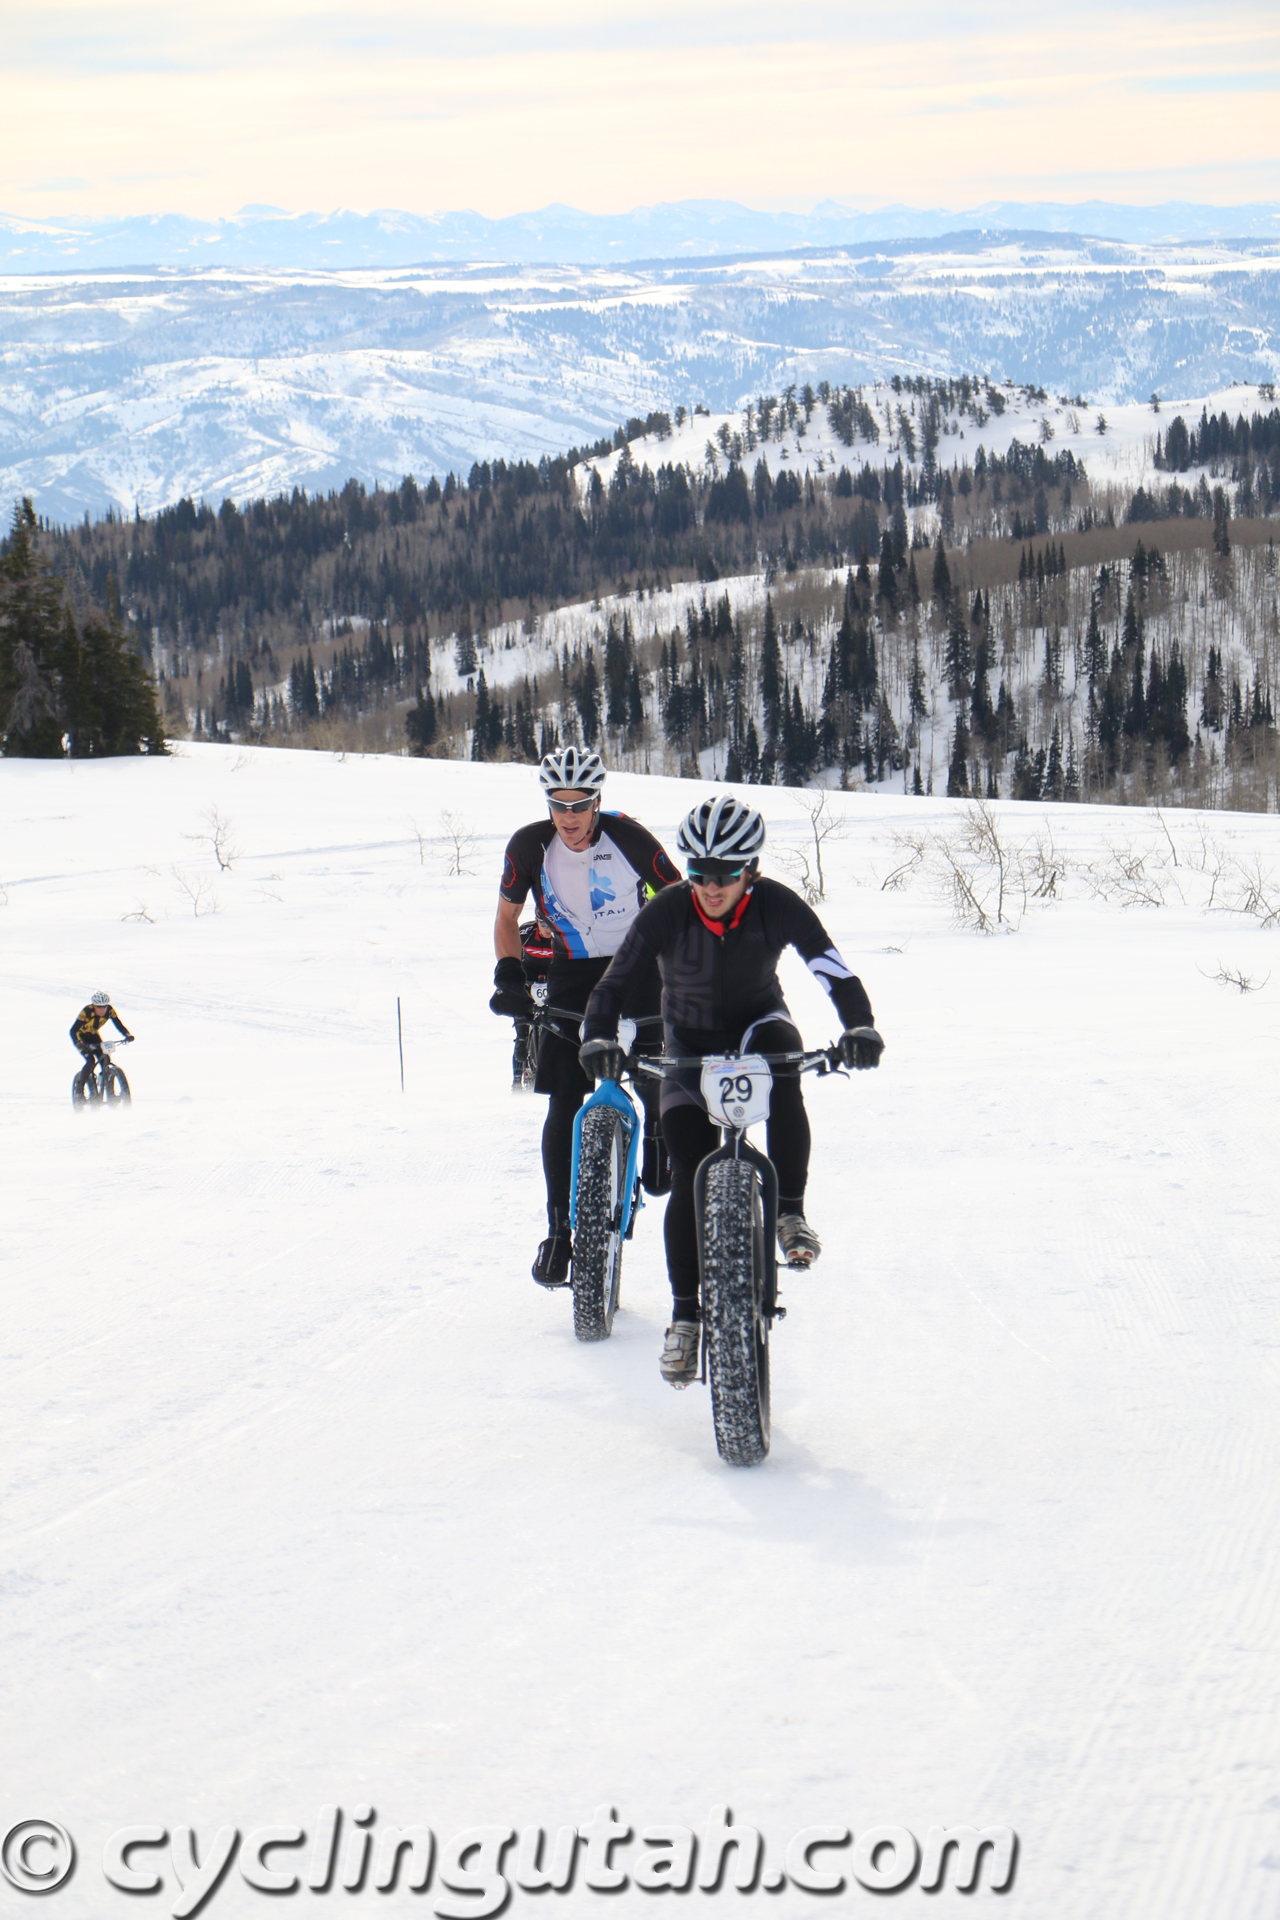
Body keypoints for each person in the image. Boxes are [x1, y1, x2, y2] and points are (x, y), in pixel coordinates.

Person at [578, 794, 884, 1387]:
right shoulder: (668, 910)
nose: (709, 887)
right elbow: (614, 984)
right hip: (687, 1043)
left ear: (752, 871)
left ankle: (790, 1213)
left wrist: (859, 1025)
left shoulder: (776, 905)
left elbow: (831, 968)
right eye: (697, 872)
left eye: (724, 875)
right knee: (691, 1172)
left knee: (786, 1069)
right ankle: (686, 1318)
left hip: (756, 1025)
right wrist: (597, 1037)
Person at [490, 747, 681, 1286]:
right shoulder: (530, 846)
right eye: (559, 804)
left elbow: (680, 902)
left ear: (599, 801)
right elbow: (507, 919)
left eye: (581, 804)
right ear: (548, 803)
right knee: (563, 1098)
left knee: (652, 1068)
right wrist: (510, 976)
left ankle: (659, 1134)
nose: (569, 817)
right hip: (572, 972)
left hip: (637, 967)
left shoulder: (631, 839)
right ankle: (558, 1233)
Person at [70, 991, 134, 1081]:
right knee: (90, 1061)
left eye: (104, 1006)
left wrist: (127, 1035)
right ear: (94, 1005)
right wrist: (78, 1043)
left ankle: (105, 1081)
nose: (102, 1009)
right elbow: (73, 1030)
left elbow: (118, 1024)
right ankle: (79, 1088)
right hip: (81, 1037)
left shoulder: (110, 1010)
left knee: (105, 1058)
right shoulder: (87, 1011)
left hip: (94, 1035)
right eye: (99, 1007)